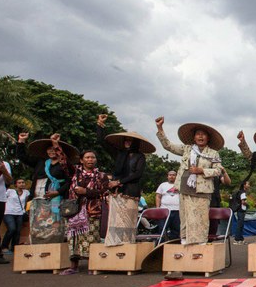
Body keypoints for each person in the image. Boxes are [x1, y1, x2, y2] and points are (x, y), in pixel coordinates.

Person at [155, 117, 223, 248]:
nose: (200, 136)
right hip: (185, 189)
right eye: (198, 134)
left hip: (202, 191)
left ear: (208, 138)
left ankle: (200, 246)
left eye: (203, 134)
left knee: (200, 219)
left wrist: (201, 170)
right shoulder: (187, 149)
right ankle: (185, 244)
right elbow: (168, 146)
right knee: (185, 218)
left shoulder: (213, 153)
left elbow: (218, 170)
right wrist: (160, 128)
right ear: (194, 137)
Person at [96, 114, 155, 246]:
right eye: (126, 140)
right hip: (117, 192)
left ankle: (126, 246)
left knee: (127, 221)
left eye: (130, 141)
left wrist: (118, 182)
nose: (128, 142)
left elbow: (137, 174)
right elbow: (101, 142)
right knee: (115, 220)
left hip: (131, 192)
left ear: (136, 143)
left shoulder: (140, 157)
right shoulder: (119, 154)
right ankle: (113, 245)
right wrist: (100, 124)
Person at [16, 133, 77, 245]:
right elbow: (22, 157)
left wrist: (57, 192)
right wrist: (21, 141)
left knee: (54, 225)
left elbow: (70, 181)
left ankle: (53, 247)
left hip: (55, 200)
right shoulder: (40, 162)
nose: (51, 151)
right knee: (38, 226)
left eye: (54, 149)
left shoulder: (64, 165)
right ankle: (38, 245)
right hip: (38, 199)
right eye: (49, 149)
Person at [63, 149, 110, 274]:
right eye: (87, 157)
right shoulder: (74, 172)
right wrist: (56, 145)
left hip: (92, 210)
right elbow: (64, 162)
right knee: (73, 238)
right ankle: (73, 266)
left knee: (91, 237)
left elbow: (104, 192)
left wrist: (86, 192)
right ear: (81, 160)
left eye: (93, 157)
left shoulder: (101, 176)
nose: (90, 160)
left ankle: (92, 265)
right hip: (74, 211)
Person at [2, 178, 29, 253]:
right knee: (12, 229)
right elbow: (3, 198)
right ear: (16, 184)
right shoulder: (10, 191)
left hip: (20, 213)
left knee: (17, 231)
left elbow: (26, 202)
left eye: (23, 182)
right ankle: (4, 246)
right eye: (19, 182)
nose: (21, 184)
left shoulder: (26, 192)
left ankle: (14, 248)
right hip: (8, 212)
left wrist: (25, 210)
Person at [155, 170, 181, 240]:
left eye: (173, 175)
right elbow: (158, 196)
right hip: (164, 211)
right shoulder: (163, 185)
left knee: (176, 230)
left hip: (177, 210)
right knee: (162, 229)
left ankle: (173, 244)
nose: (171, 176)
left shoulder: (180, 184)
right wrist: (158, 208)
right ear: (167, 176)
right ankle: (161, 244)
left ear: (176, 176)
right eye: (170, 175)